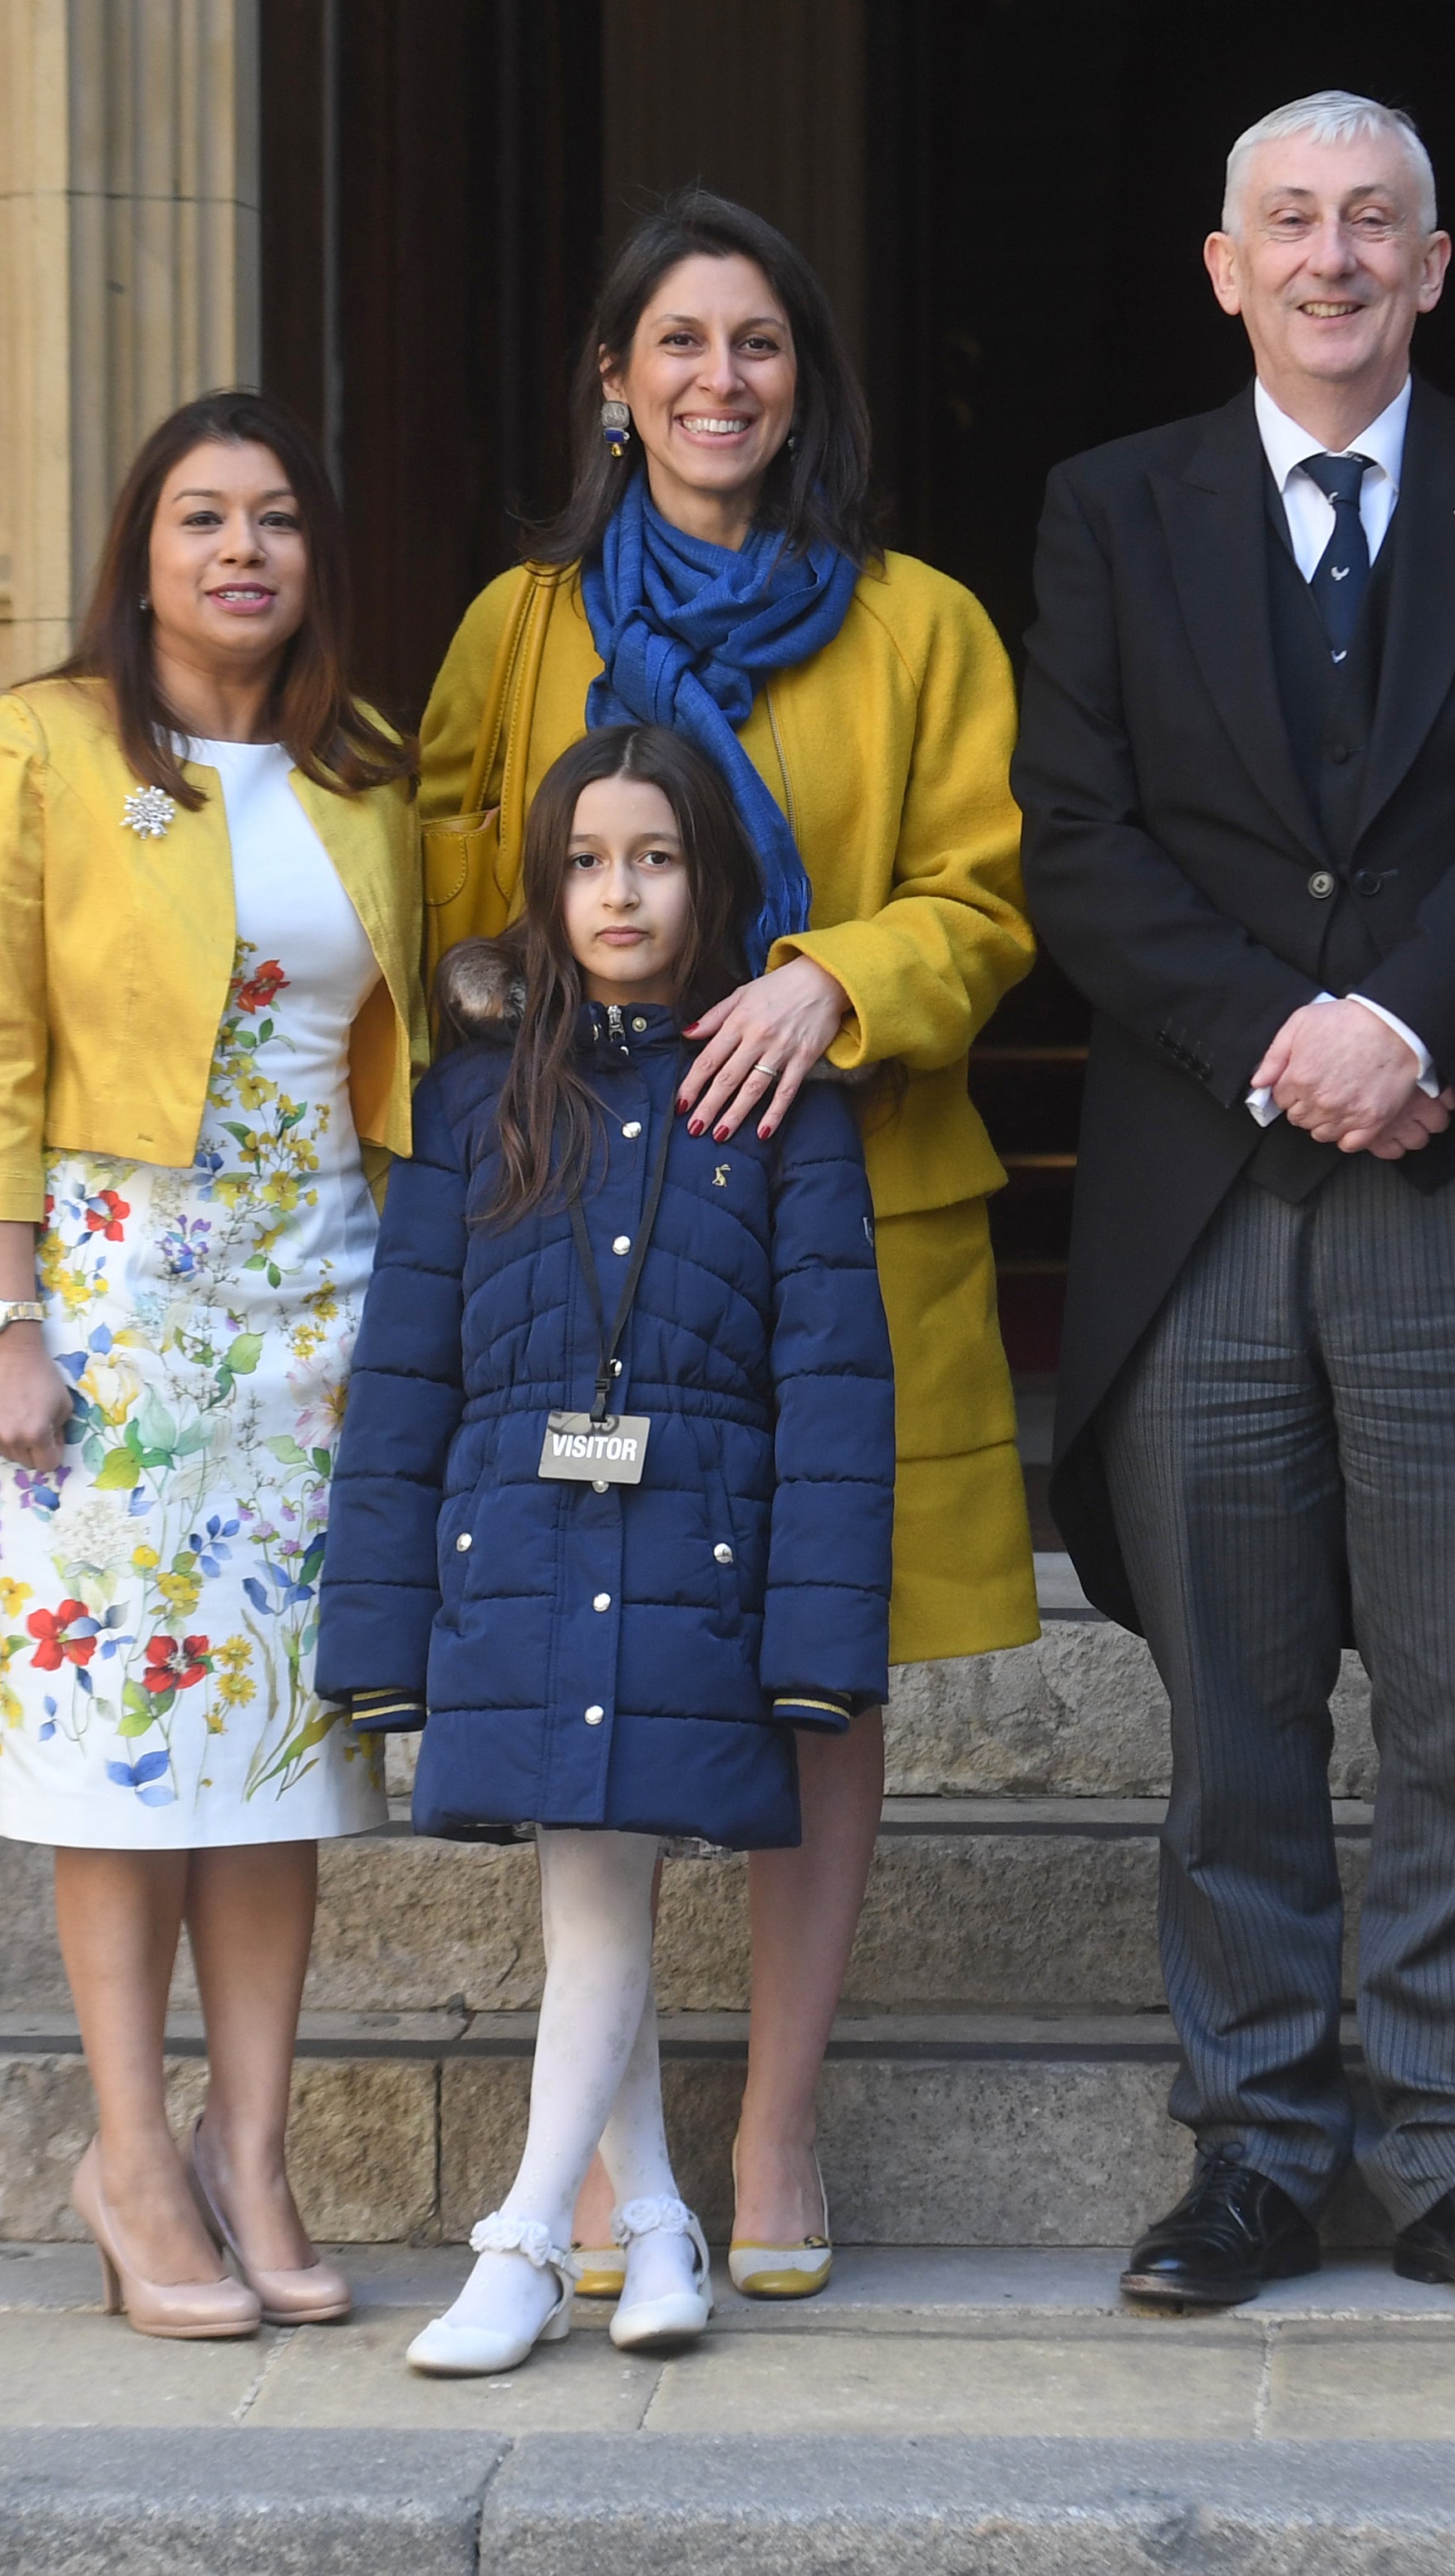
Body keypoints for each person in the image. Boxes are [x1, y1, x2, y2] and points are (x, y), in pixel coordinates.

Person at [1019, 91, 1455, 2318]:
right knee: (1238, 1709)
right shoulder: (1112, 508)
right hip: (1211, 1185)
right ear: (1223, 266)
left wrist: (1410, 1019)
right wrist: (1282, 1034)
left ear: (1437, 261)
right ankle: (1265, 2145)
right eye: (1288, 222)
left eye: (1371, 221)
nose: (1330, 255)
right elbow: (1077, 834)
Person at [411, 190, 1035, 2301]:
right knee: (591, 1643)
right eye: (676, 343)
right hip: (588, 1229)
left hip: (844, 1209)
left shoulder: (919, 620)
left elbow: (984, 897)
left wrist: (825, 978)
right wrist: (535, 1000)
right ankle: (601, 2147)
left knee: (814, 1659)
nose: (717, 381)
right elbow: (444, 867)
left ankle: (773, 2119)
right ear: (612, 380)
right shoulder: (519, 627)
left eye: (757, 343)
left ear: (805, 381)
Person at [0, 388, 423, 2339]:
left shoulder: (367, 776)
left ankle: (254, 2149)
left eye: (277, 518)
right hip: (113, 1312)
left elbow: (417, 1060)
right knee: (120, 1760)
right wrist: (1, 1316)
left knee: (287, 1758)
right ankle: (131, 2161)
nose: (243, 550)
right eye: (203, 516)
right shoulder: (44, 743)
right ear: (140, 552)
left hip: (326, 1310)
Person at [322, 722, 898, 2376]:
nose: (618, 889)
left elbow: (833, 1389)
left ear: (707, 878)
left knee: (599, 1892)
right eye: (584, 860)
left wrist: (815, 1642)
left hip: (692, 1557)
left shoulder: (782, 1108)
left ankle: (516, 2237)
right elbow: (408, 1367)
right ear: (544, 884)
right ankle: (646, 2221)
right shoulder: (475, 1101)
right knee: (600, 1884)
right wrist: (375, 1631)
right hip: (517, 1548)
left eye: (652, 856)